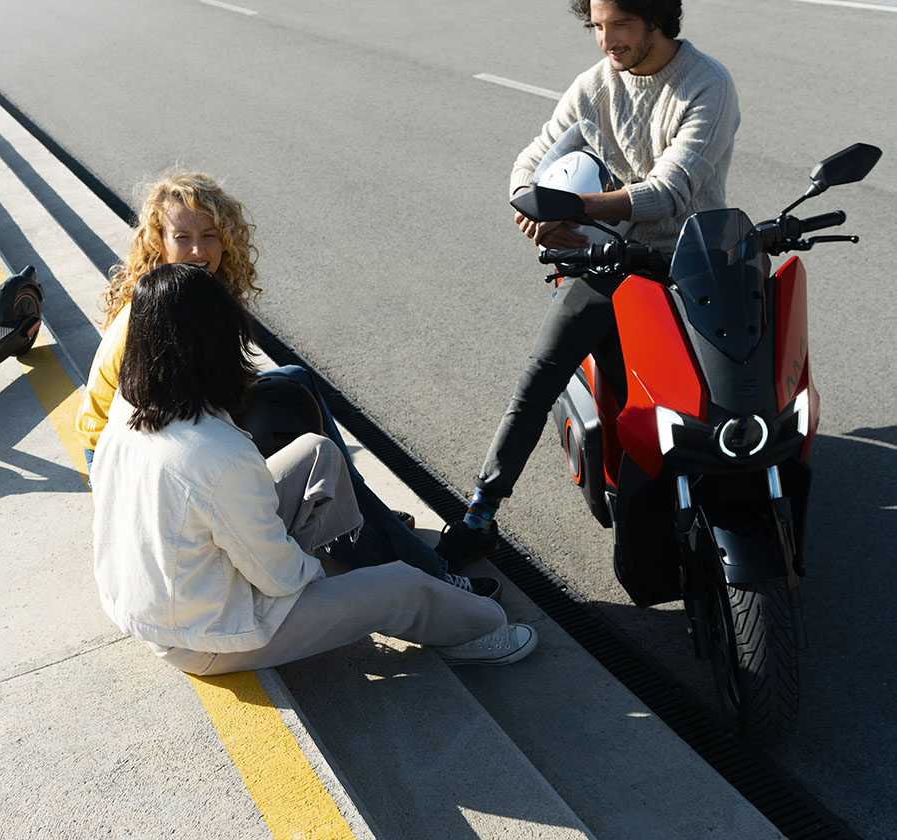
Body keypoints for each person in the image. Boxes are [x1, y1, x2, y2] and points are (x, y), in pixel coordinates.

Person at [90, 263, 538, 674]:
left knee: (317, 453)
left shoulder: (131, 405)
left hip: (165, 600)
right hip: (207, 637)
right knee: (399, 587)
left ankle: (361, 555)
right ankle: (476, 628)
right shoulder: (218, 454)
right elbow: (280, 579)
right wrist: (344, 589)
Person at [76, 172, 498, 596]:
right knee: (308, 454)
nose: (199, 250)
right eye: (182, 237)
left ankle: (363, 507)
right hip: (128, 462)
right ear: (158, 242)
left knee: (295, 383)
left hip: (167, 428)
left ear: (227, 237)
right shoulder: (161, 312)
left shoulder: (195, 291)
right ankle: (437, 576)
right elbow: (170, 427)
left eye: (210, 234)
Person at [436, 0, 740, 567]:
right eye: (596, 26)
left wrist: (572, 205)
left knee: (724, 388)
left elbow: (670, 190)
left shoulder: (707, 84)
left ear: (656, 18)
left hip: (688, 258)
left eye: (619, 24)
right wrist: (531, 203)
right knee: (540, 373)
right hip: (608, 257)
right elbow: (531, 157)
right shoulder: (596, 85)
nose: (606, 40)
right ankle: (480, 511)